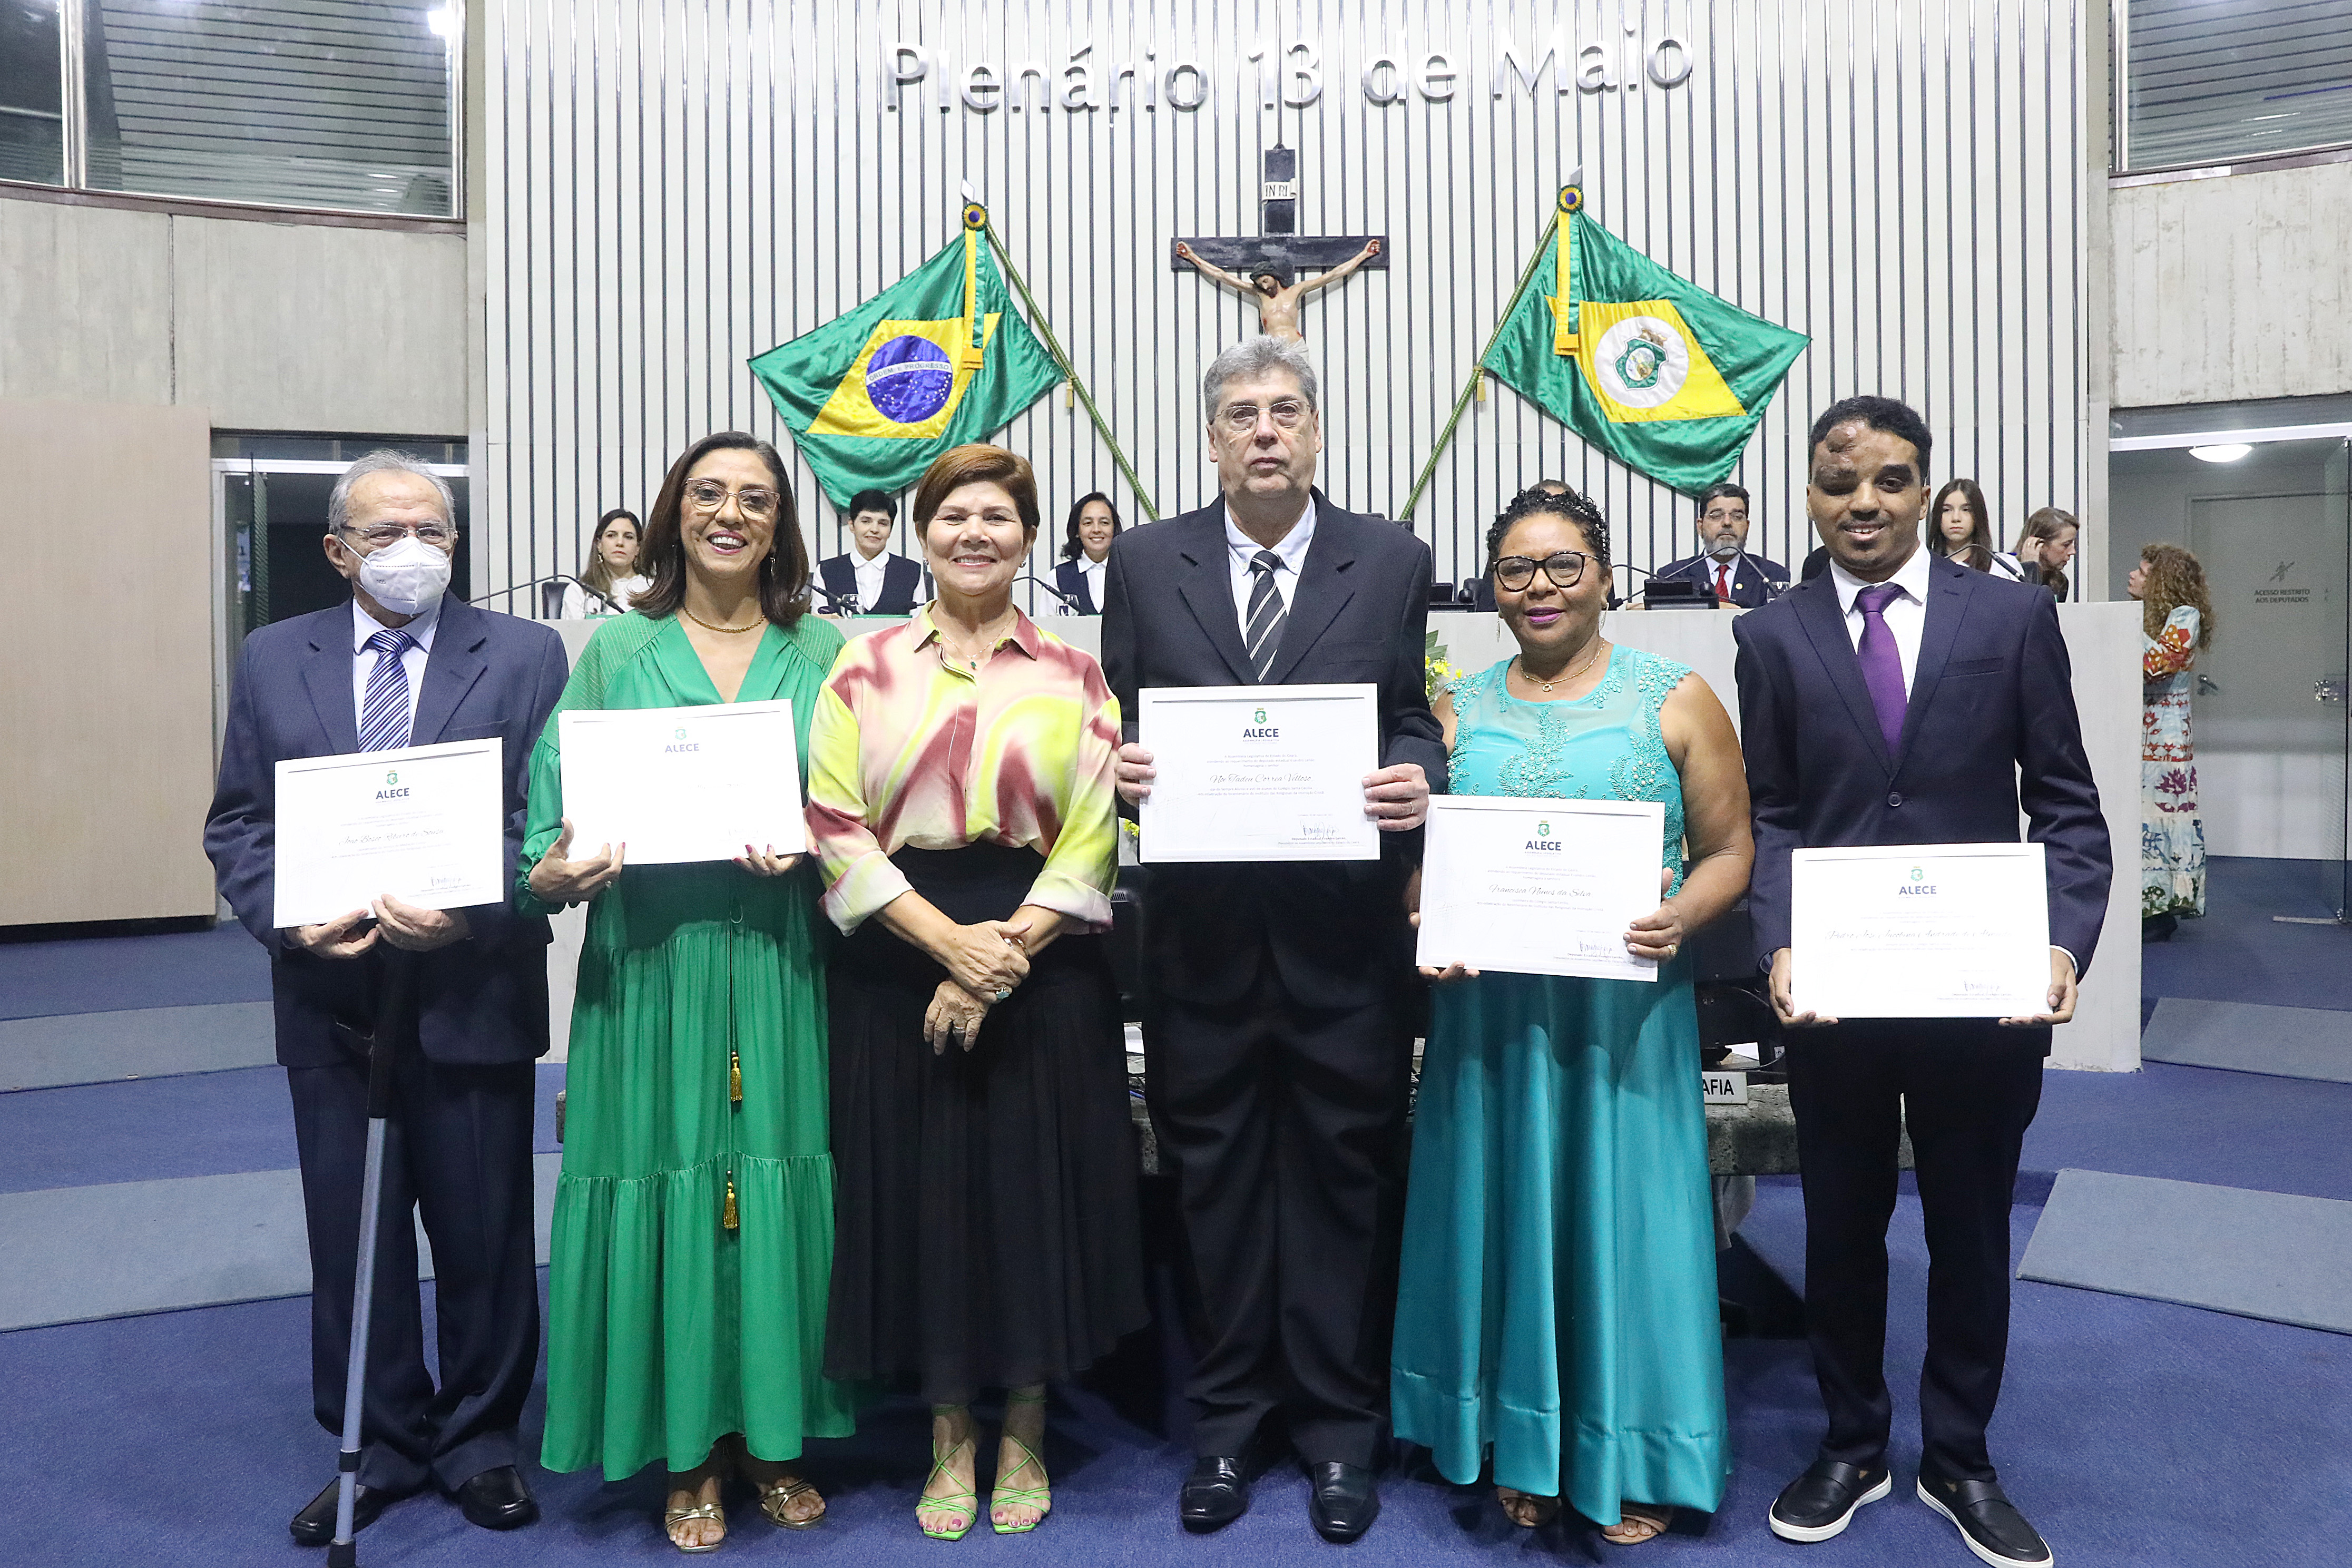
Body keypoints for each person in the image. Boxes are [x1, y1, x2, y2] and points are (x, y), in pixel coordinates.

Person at [1734, 397, 2110, 1568]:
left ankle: (1959, 1457)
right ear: (1809, 494)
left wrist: (2061, 944)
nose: (1864, 503)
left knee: (1969, 1231)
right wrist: (1776, 940)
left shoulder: (2010, 617)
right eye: (1838, 481)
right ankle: (1851, 1444)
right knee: (1840, 1228)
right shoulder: (1771, 635)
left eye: (1890, 480)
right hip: (1836, 994)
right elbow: (1773, 813)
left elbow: (2066, 805)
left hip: (1979, 993)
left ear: (1925, 489)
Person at [1101, 335, 1444, 1544]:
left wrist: (1418, 773)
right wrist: (1123, 769)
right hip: (1198, 948)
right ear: (1211, 438)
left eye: (1285, 410)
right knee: (1213, 1185)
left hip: (1342, 947)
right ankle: (1229, 1422)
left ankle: (1340, 1430)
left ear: (1315, 431)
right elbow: (1120, 715)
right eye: (1241, 413)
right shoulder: (1146, 562)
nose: (1263, 430)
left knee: (1346, 1181)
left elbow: (1411, 714)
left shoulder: (1390, 558)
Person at [205, 450, 568, 1546]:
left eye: (432, 531)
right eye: (384, 533)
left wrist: (470, 905)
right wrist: (290, 918)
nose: (412, 549)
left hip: (472, 987)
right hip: (330, 998)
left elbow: (543, 818)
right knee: (352, 1239)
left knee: (484, 1233)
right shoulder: (275, 657)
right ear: (337, 550)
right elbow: (240, 822)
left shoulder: (525, 654)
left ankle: (479, 1439)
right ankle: (380, 1444)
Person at [1393, 484, 1753, 1543]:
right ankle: (1517, 1436)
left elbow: (1731, 849)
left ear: (1603, 575)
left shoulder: (1677, 698)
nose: (1538, 587)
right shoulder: (1453, 708)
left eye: (1562, 565)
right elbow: (1417, 862)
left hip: (1623, 1018)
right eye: (1515, 569)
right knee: (1494, 1207)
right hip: (1488, 1016)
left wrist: (1681, 914)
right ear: (1490, 587)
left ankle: (1629, 1447)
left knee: (1627, 1222)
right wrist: (1422, 915)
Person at [518, 432, 857, 1553]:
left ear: (780, 525)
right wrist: (551, 873)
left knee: (771, 1179)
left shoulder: (823, 650)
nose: (730, 514)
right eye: (708, 494)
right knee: (663, 1179)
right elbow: (549, 813)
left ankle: (772, 1436)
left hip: (777, 961)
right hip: (649, 970)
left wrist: (813, 845)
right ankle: (684, 1449)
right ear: (674, 514)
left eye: (755, 499)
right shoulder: (618, 649)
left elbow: (859, 807)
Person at [807, 443, 1146, 1540]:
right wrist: (948, 947)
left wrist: (1000, 954)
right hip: (899, 950)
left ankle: (1028, 1424)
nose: (975, 534)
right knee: (925, 1195)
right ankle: (950, 1429)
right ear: (922, 532)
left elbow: (1094, 831)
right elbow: (833, 825)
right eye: (953, 515)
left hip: (1041, 954)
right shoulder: (861, 668)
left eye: (998, 517)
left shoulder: (1074, 674)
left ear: (1028, 538)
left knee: (1027, 1193)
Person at [2131, 543, 2211, 938]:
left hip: (2167, 740)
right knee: (2144, 822)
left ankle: (2161, 910)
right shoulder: (2149, 618)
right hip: (2143, 735)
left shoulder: (2185, 615)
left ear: (2162, 582)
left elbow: (2156, 667)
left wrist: (2126, 628)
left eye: (2143, 572)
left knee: (2163, 821)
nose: (2133, 576)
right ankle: (2146, 906)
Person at [1175, 239, 1382, 345]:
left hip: (1296, 345)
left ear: (1274, 276)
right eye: (1260, 283)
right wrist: (1192, 257)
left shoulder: (1296, 291)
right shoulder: (1259, 294)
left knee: (1303, 389)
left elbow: (1333, 275)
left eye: (1265, 280)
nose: (1264, 286)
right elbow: (1222, 275)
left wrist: (1364, 255)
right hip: (1273, 347)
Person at [1651, 481, 1791, 608]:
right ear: (1700, 527)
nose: (1727, 523)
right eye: (1717, 516)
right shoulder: (1673, 576)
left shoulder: (1772, 575)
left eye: (1737, 517)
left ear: (1747, 527)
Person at [815, 487, 925, 615]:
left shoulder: (912, 572)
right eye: (866, 521)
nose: (874, 530)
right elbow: (819, 624)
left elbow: (920, 623)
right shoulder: (826, 571)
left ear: (891, 529)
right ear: (852, 525)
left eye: (883, 523)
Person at [562, 507, 649, 617]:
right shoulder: (578, 591)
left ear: (638, 548)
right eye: (611, 535)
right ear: (599, 545)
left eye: (628, 537)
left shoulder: (652, 589)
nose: (620, 543)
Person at [1052, 491, 1121, 613]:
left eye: (1104, 523)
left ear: (1114, 529)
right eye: (1088, 523)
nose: (1096, 530)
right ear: (1077, 531)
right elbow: (1046, 624)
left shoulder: (1129, 575)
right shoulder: (1057, 577)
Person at [1997, 508, 2079, 601]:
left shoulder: (2059, 581)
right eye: (2066, 545)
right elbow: (2024, 606)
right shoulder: (2006, 575)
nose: (2073, 552)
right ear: (2039, 544)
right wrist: (2029, 570)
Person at [1927, 477, 1996, 573]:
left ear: (1978, 515)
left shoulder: (2000, 568)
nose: (1956, 518)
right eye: (1947, 510)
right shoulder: (1924, 566)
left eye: (1966, 510)